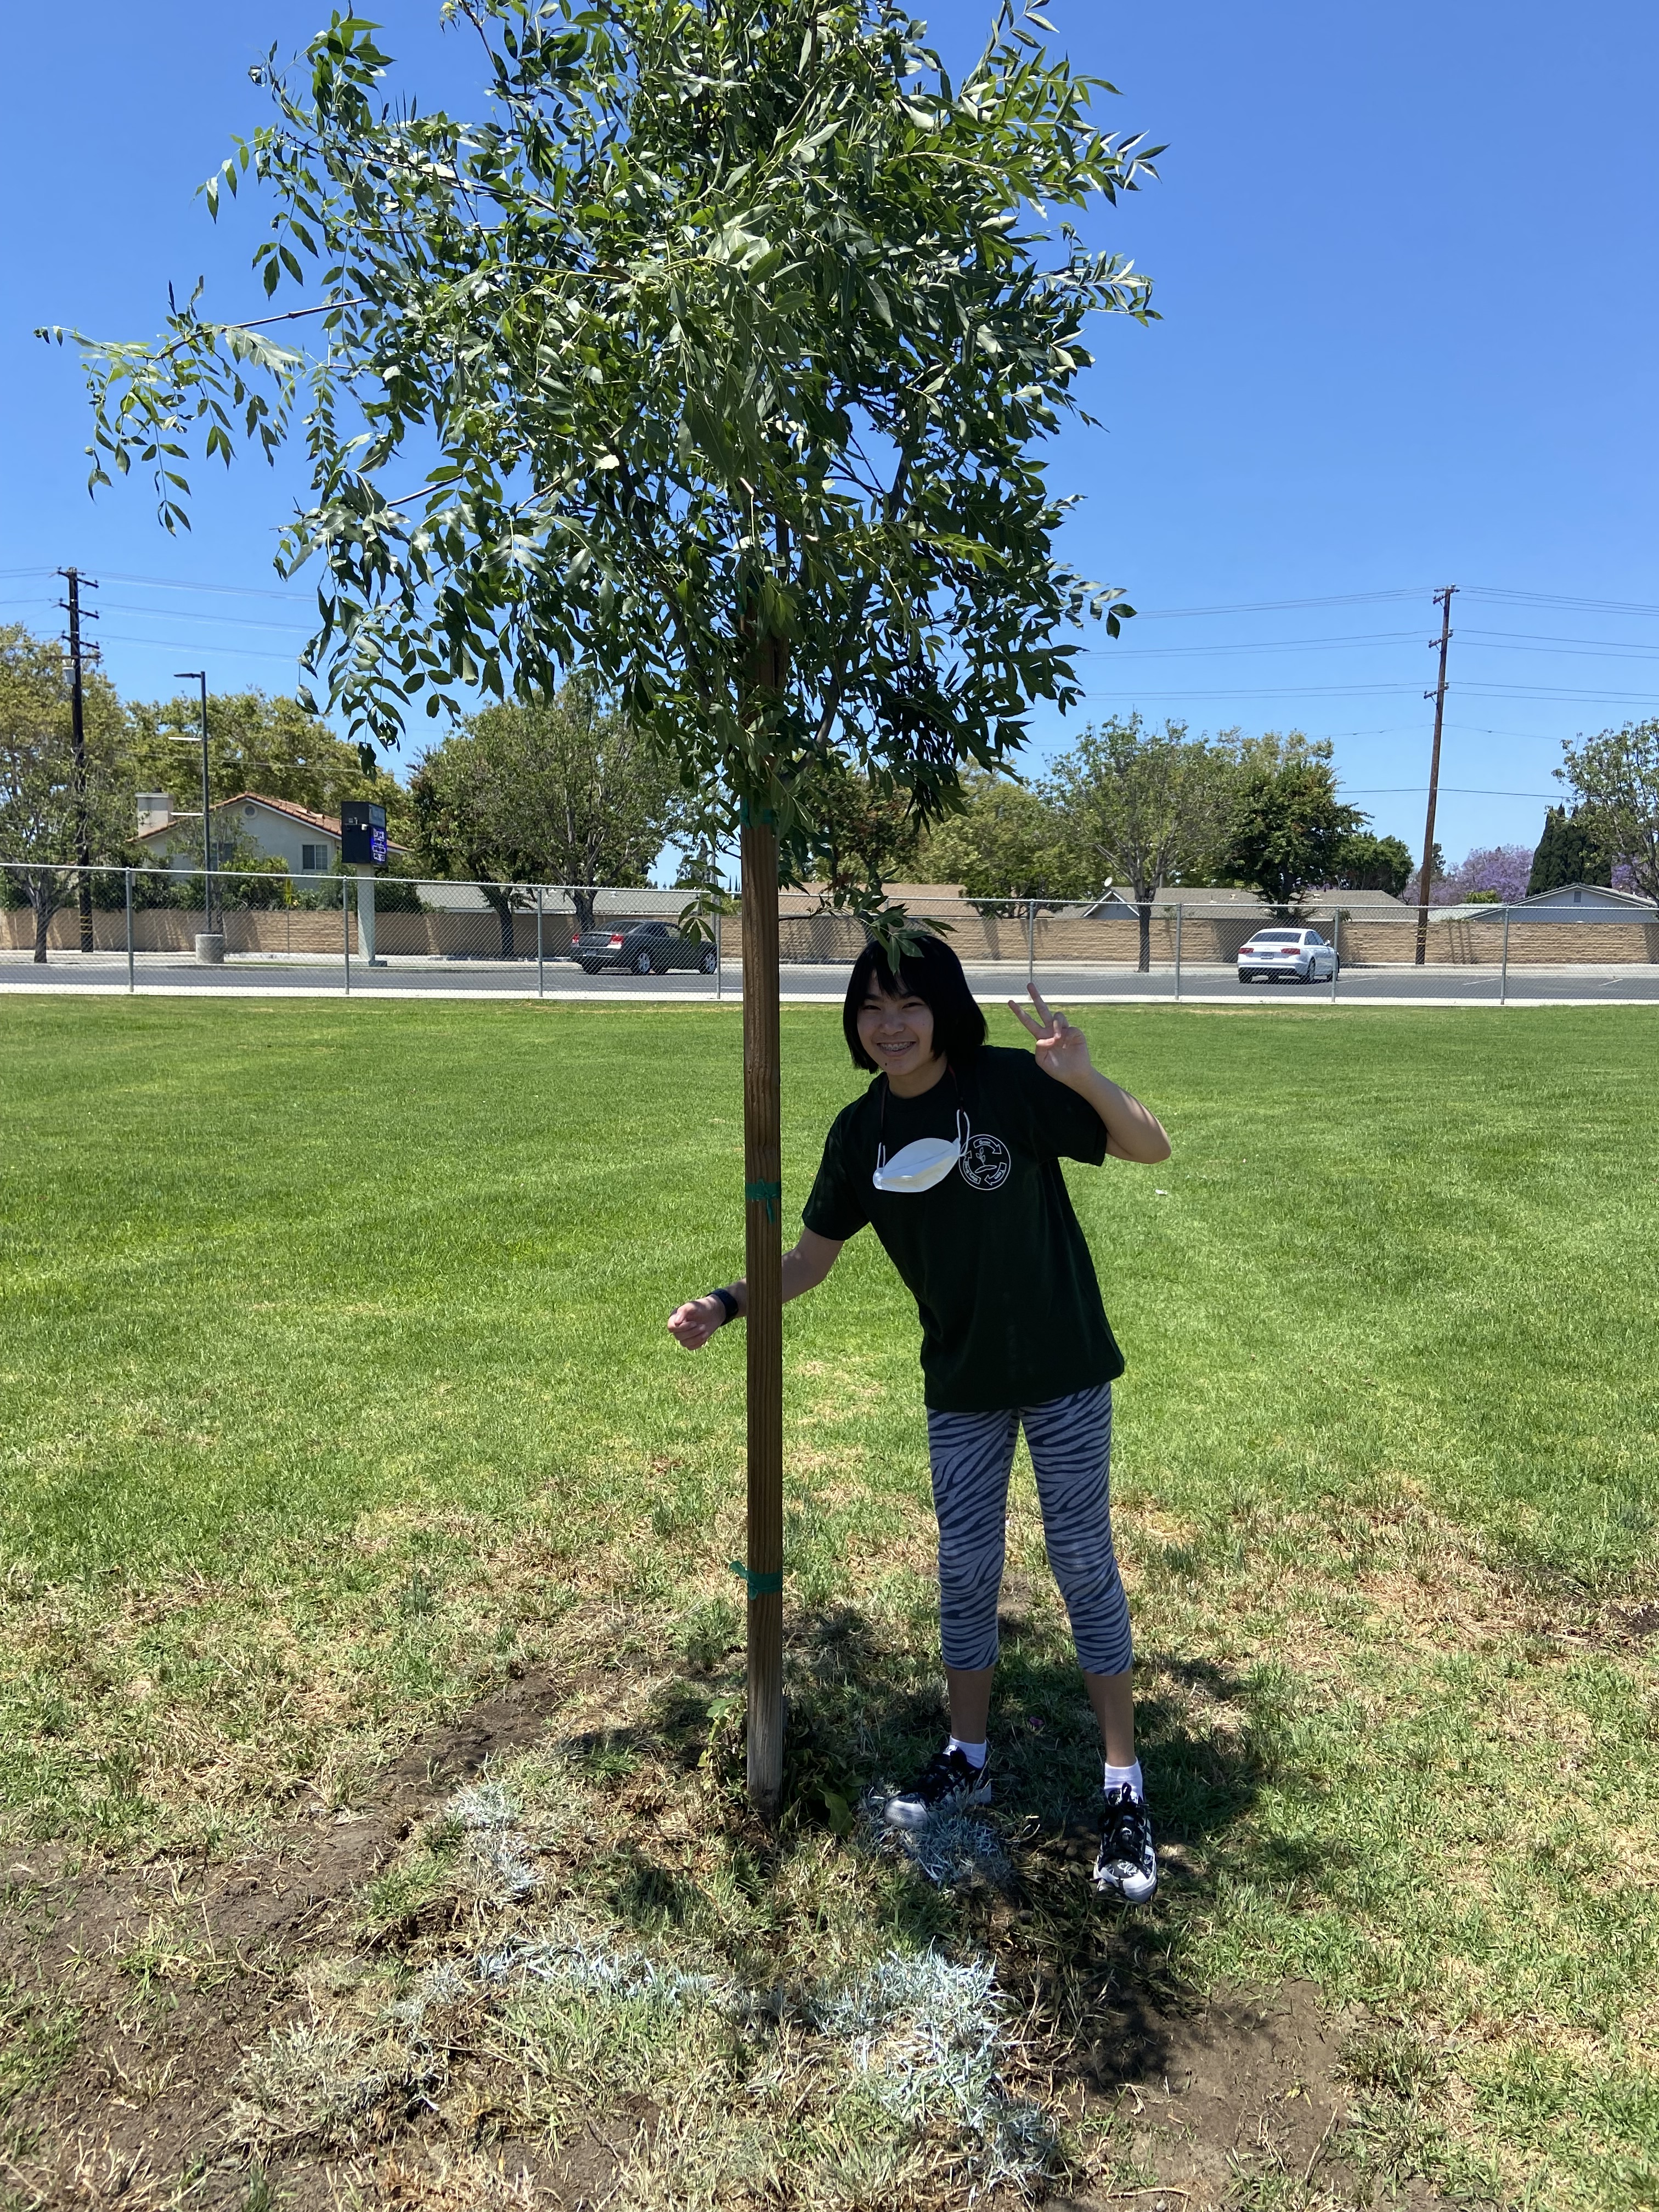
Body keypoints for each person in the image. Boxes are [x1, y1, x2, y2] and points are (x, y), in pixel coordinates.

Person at [667, 934, 1171, 1902]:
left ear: (945, 1010)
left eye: (910, 1004)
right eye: (872, 1006)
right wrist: (727, 1303)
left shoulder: (1009, 1084)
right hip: (963, 1381)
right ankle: (966, 1757)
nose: (890, 1025)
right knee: (965, 1568)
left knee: (1081, 1561)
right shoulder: (862, 1133)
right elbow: (808, 1262)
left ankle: (1124, 1785)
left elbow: (1149, 1146)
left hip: (1064, 1367)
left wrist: (1082, 1074)